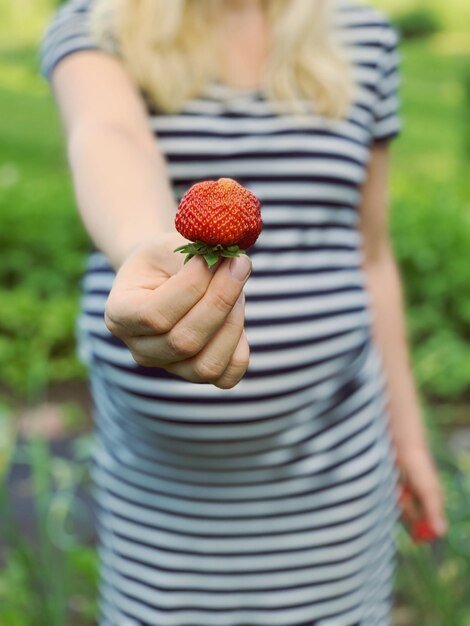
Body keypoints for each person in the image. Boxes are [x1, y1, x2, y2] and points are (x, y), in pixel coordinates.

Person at [39, 0, 448, 624]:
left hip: (332, 472)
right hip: (161, 493)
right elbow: (108, 134)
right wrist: (142, 243)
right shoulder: (98, 20)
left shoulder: (361, 34)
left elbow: (372, 256)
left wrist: (409, 436)